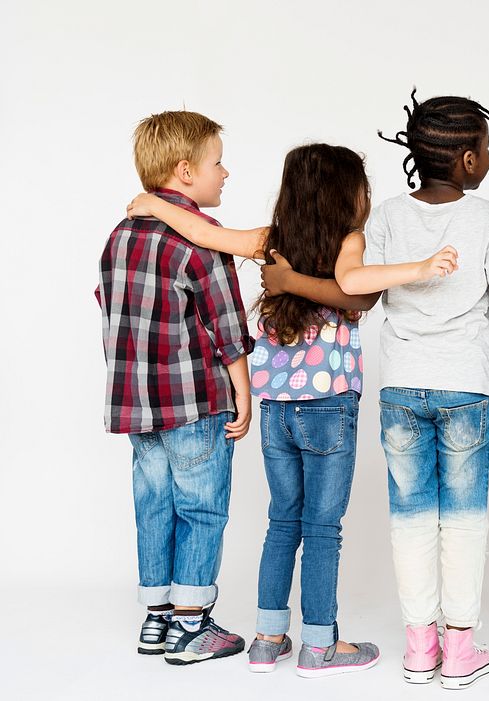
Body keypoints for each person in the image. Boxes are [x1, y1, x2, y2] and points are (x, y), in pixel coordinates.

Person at [261, 90, 489, 690]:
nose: (488, 157)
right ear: (466, 159)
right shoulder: (488, 217)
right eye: (484, 147)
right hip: (467, 389)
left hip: (402, 388)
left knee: (410, 519)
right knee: (463, 521)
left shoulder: (384, 215)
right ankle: (460, 650)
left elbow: (357, 295)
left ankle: (418, 648)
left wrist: (291, 280)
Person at [127, 143, 458, 676]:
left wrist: (156, 204)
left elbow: (207, 235)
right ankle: (320, 646)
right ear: (349, 195)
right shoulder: (350, 241)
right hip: (329, 406)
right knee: (322, 527)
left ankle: (266, 639)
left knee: (282, 522)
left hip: (276, 407)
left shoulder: (272, 242)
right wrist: (420, 267)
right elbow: (353, 289)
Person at [98, 110, 252, 665]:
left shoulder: (120, 235)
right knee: (202, 508)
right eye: (217, 162)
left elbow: (110, 304)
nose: (226, 172)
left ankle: (156, 619)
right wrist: (243, 393)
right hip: (193, 402)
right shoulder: (202, 240)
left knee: (154, 506)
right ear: (186, 171)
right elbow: (227, 326)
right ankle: (193, 626)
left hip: (137, 407)